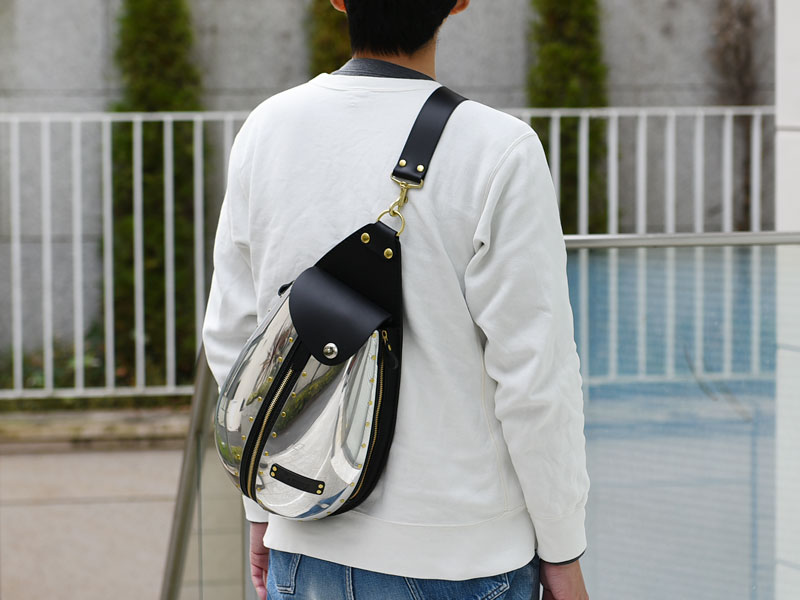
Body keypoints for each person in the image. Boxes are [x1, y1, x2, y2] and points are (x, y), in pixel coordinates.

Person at [203, 1, 590, 598]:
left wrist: (264, 504)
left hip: (304, 543)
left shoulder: (268, 128)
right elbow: (535, 378)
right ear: (458, 1)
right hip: (462, 554)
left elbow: (236, 338)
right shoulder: (499, 148)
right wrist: (563, 548)